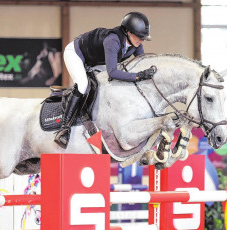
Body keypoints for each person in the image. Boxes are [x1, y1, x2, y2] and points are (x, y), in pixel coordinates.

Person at [55, 12, 157, 148]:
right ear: (128, 32)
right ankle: (64, 129)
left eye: (143, 38)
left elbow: (142, 62)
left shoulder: (136, 44)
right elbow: (113, 72)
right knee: (83, 85)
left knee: (108, 87)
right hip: (76, 54)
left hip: (95, 61)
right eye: (140, 37)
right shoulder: (113, 40)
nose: (142, 41)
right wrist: (138, 76)